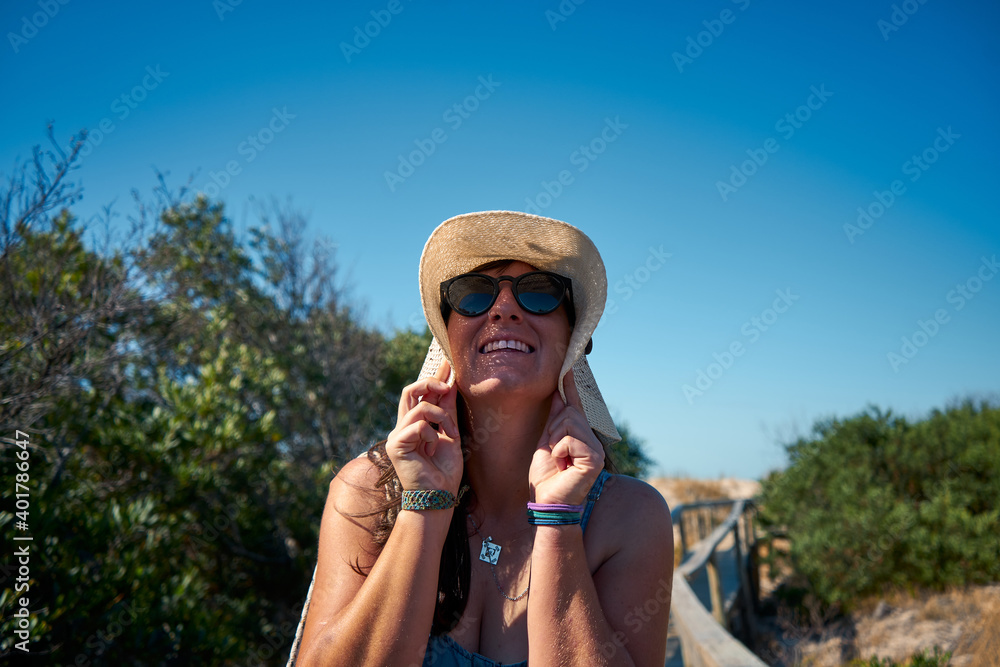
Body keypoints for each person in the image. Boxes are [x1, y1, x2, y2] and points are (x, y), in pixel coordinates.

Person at [290, 210, 673, 666]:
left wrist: (558, 519)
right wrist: (423, 503)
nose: (504, 308)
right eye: (473, 295)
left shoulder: (630, 517)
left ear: (574, 341)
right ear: (445, 338)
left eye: (539, 294)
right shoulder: (365, 493)